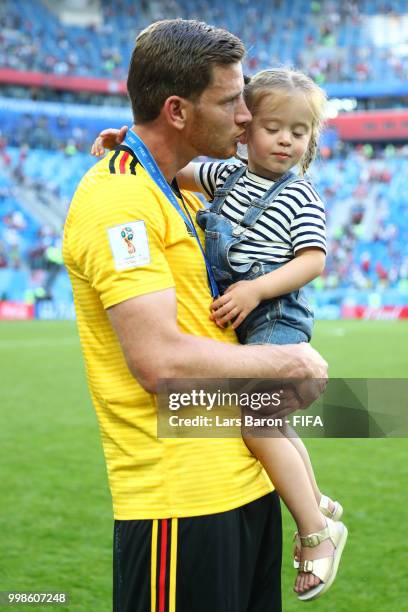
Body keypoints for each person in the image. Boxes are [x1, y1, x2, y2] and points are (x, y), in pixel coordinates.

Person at [64, 20, 328, 612]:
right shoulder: (118, 202)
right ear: (178, 111)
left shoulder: (180, 189)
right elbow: (159, 363)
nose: (246, 115)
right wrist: (290, 358)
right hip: (180, 501)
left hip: (246, 484)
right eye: (232, 99)